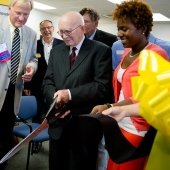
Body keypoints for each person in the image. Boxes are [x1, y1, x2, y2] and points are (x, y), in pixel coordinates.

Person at [89, 0, 169, 170]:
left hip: (138, 126)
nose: (119, 33)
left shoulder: (156, 54)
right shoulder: (127, 51)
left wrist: (110, 105)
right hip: (120, 121)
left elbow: (148, 98)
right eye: (118, 28)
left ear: (142, 28)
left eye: (124, 29)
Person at [42, 11, 113, 170]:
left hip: (84, 126)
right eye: (61, 32)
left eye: (68, 31)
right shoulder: (57, 51)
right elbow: (47, 81)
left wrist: (69, 94)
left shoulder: (101, 51)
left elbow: (101, 87)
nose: (64, 36)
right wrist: (56, 100)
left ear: (82, 28)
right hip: (58, 124)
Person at [0, 0, 37, 169]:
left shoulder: (31, 34)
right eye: (18, 13)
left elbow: (33, 58)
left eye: (26, 14)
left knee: (5, 134)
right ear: (9, 9)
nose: (22, 18)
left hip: (14, 92)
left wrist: (31, 68)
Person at [24, 20, 62, 153]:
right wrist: (27, 85)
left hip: (55, 86)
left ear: (53, 28)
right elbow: (30, 63)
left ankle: (53, 139)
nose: (47, 30)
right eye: (43, 28)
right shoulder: (35, 45)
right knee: (36, 112)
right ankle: (35, 140)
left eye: (49, 27)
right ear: (40, 31)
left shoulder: (61, 44)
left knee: (52, 113)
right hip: (37, 85)